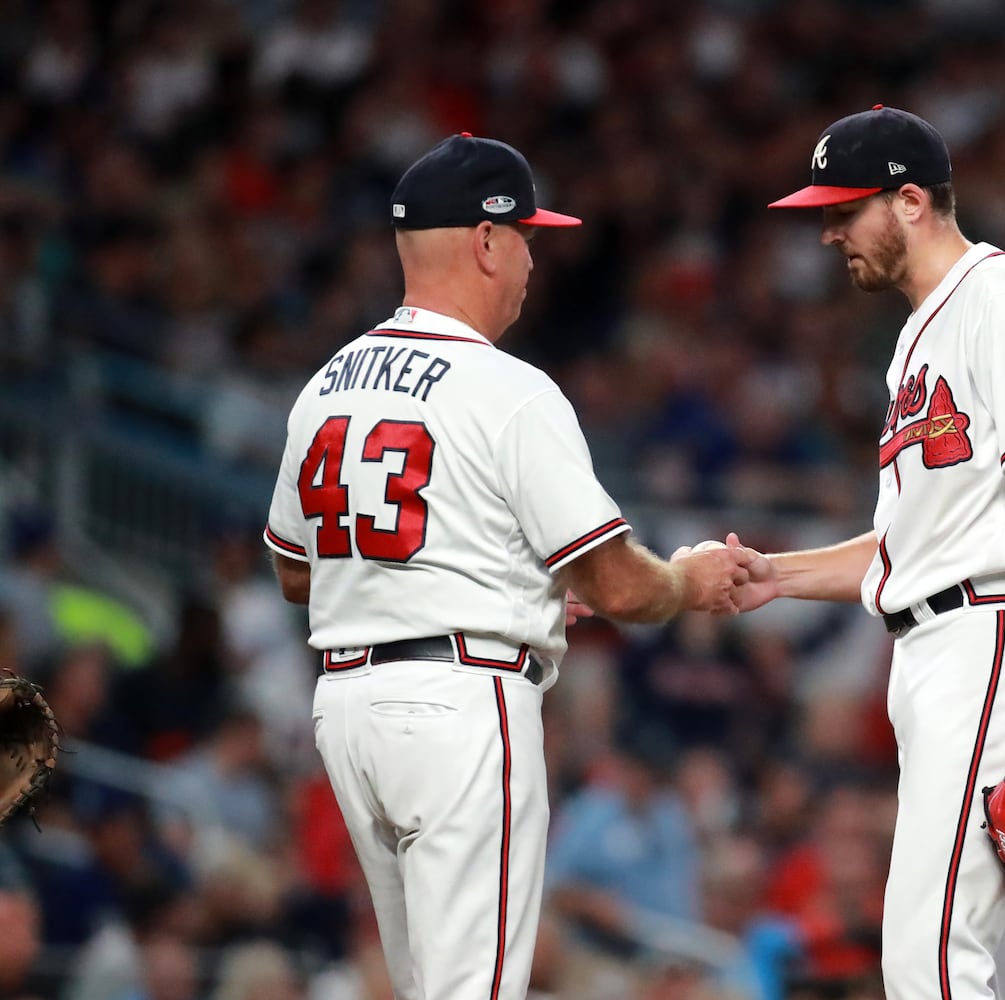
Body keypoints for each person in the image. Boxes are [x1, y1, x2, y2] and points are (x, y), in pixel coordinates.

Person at [263, 133, 753, 1000]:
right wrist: (688, 581)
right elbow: (618, 584)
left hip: (347, 710)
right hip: (460, 707)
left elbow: (298, 572)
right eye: (526, 235)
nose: (533, 255)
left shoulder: (327, 384)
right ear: (485, 241)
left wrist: (493, 585)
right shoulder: (511, 391)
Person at [687, 105, 1005, 999]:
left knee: (927, 957)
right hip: (944, 643)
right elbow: (913, 545)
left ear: (911, 200)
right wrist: (778, 577)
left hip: (996, 641)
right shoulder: (917, 336)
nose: (829, 231)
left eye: (846, 209)